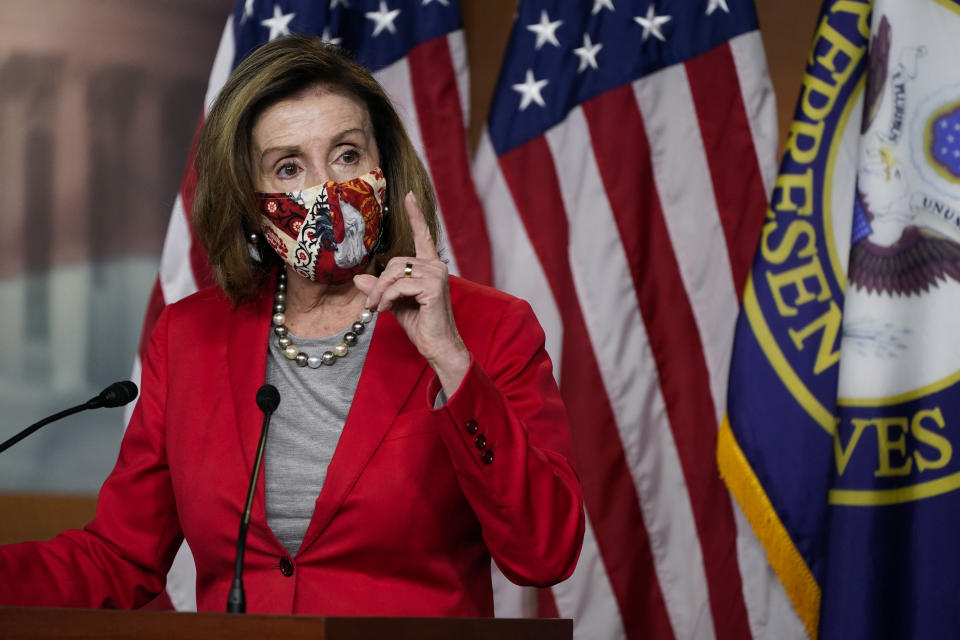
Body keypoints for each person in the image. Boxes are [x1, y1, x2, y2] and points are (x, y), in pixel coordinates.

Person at [0, 35, 584, 616]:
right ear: (252, 202)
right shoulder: (188, 338)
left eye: (348, 155)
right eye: (289, 167)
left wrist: (452, 362)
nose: (326, 189)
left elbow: (545, 555)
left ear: (385, 164)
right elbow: (118, 559)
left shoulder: (488, 326)